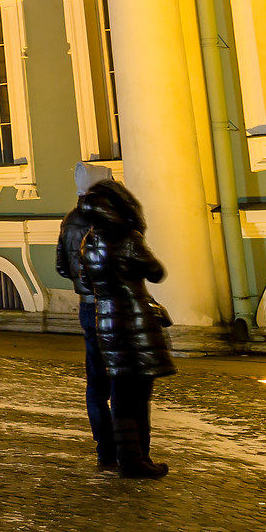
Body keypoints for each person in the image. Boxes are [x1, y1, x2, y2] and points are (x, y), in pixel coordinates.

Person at [57, 165, 175, 479]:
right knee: (136, 391)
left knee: (105, 388)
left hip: (99, 315)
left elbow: (71, 270)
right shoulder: (126, 236)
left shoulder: (81, 231)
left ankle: (113, 454)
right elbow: (157, 272)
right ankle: (137, 457)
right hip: (131, 317)